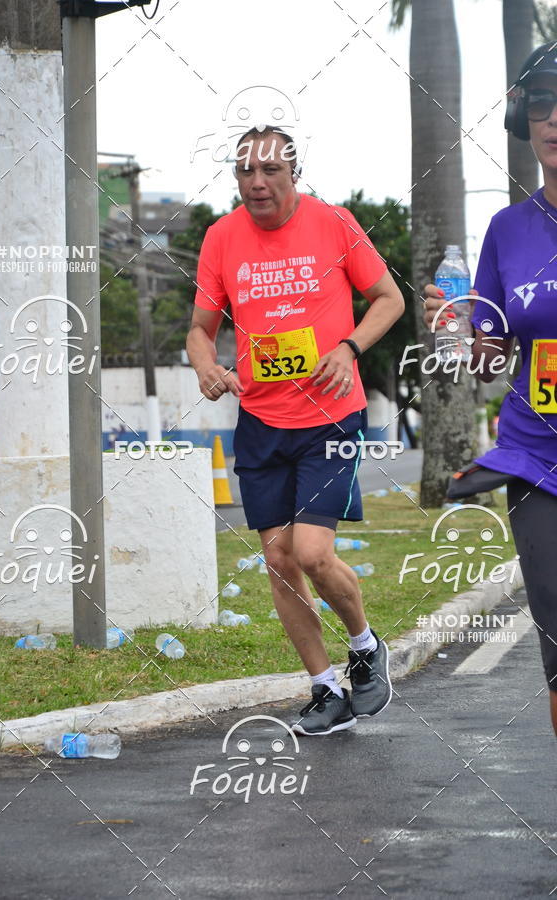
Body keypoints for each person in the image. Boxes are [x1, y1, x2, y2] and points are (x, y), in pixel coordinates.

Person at [186, 125, 404, 735]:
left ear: (293, 173)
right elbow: (200, 328)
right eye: (245, 171)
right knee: (280, 560)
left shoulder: (334, 224)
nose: (257, 182)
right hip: (260, 419)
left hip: (331, 414)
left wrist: (349, 347)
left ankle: (364, 646)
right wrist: (207, 366)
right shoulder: (221, 238)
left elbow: (388, 298)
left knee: (312, 552)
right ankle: (324, 689)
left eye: (270, 171)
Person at [424, 42, 557, 736]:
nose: (554, 118)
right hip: (537, 461)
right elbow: (486, 359)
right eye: (541, 104)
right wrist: (453, 328)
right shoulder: (508, 231)